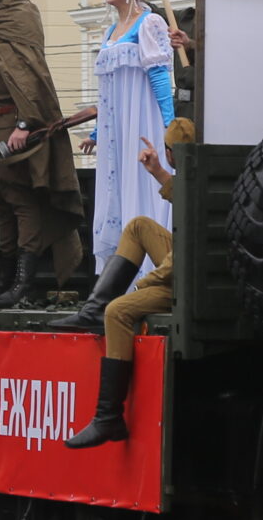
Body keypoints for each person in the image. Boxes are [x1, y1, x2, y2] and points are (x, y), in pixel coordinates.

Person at [48, 120, 195, 448]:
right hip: (186, 269)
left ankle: (108, 416)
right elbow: (183, 200)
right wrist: (158, 171)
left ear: (171, 153)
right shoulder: (199, 175)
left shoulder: (196, 184)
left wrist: (147, 284)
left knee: (118, 312)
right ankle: (92, 311)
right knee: (139, 226)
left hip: (185, 279)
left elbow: (179, 261)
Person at [0, 0, 87, 309]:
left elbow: (29, 77)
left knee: (21, 201)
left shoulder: (20, 16)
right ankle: (5, 279)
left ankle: (23, 284)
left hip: (11, 125)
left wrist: (25, 123)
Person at [80, 0, 174, 261]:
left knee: (143, 182)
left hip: (142, 118)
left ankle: (150, 264)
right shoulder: (110, 32)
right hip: (117, 128)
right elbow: (108, 90)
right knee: (116, 188)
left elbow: (160, 76)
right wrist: (97, 132)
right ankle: (122, 266)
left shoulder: (150, 23)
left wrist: (169, 124)